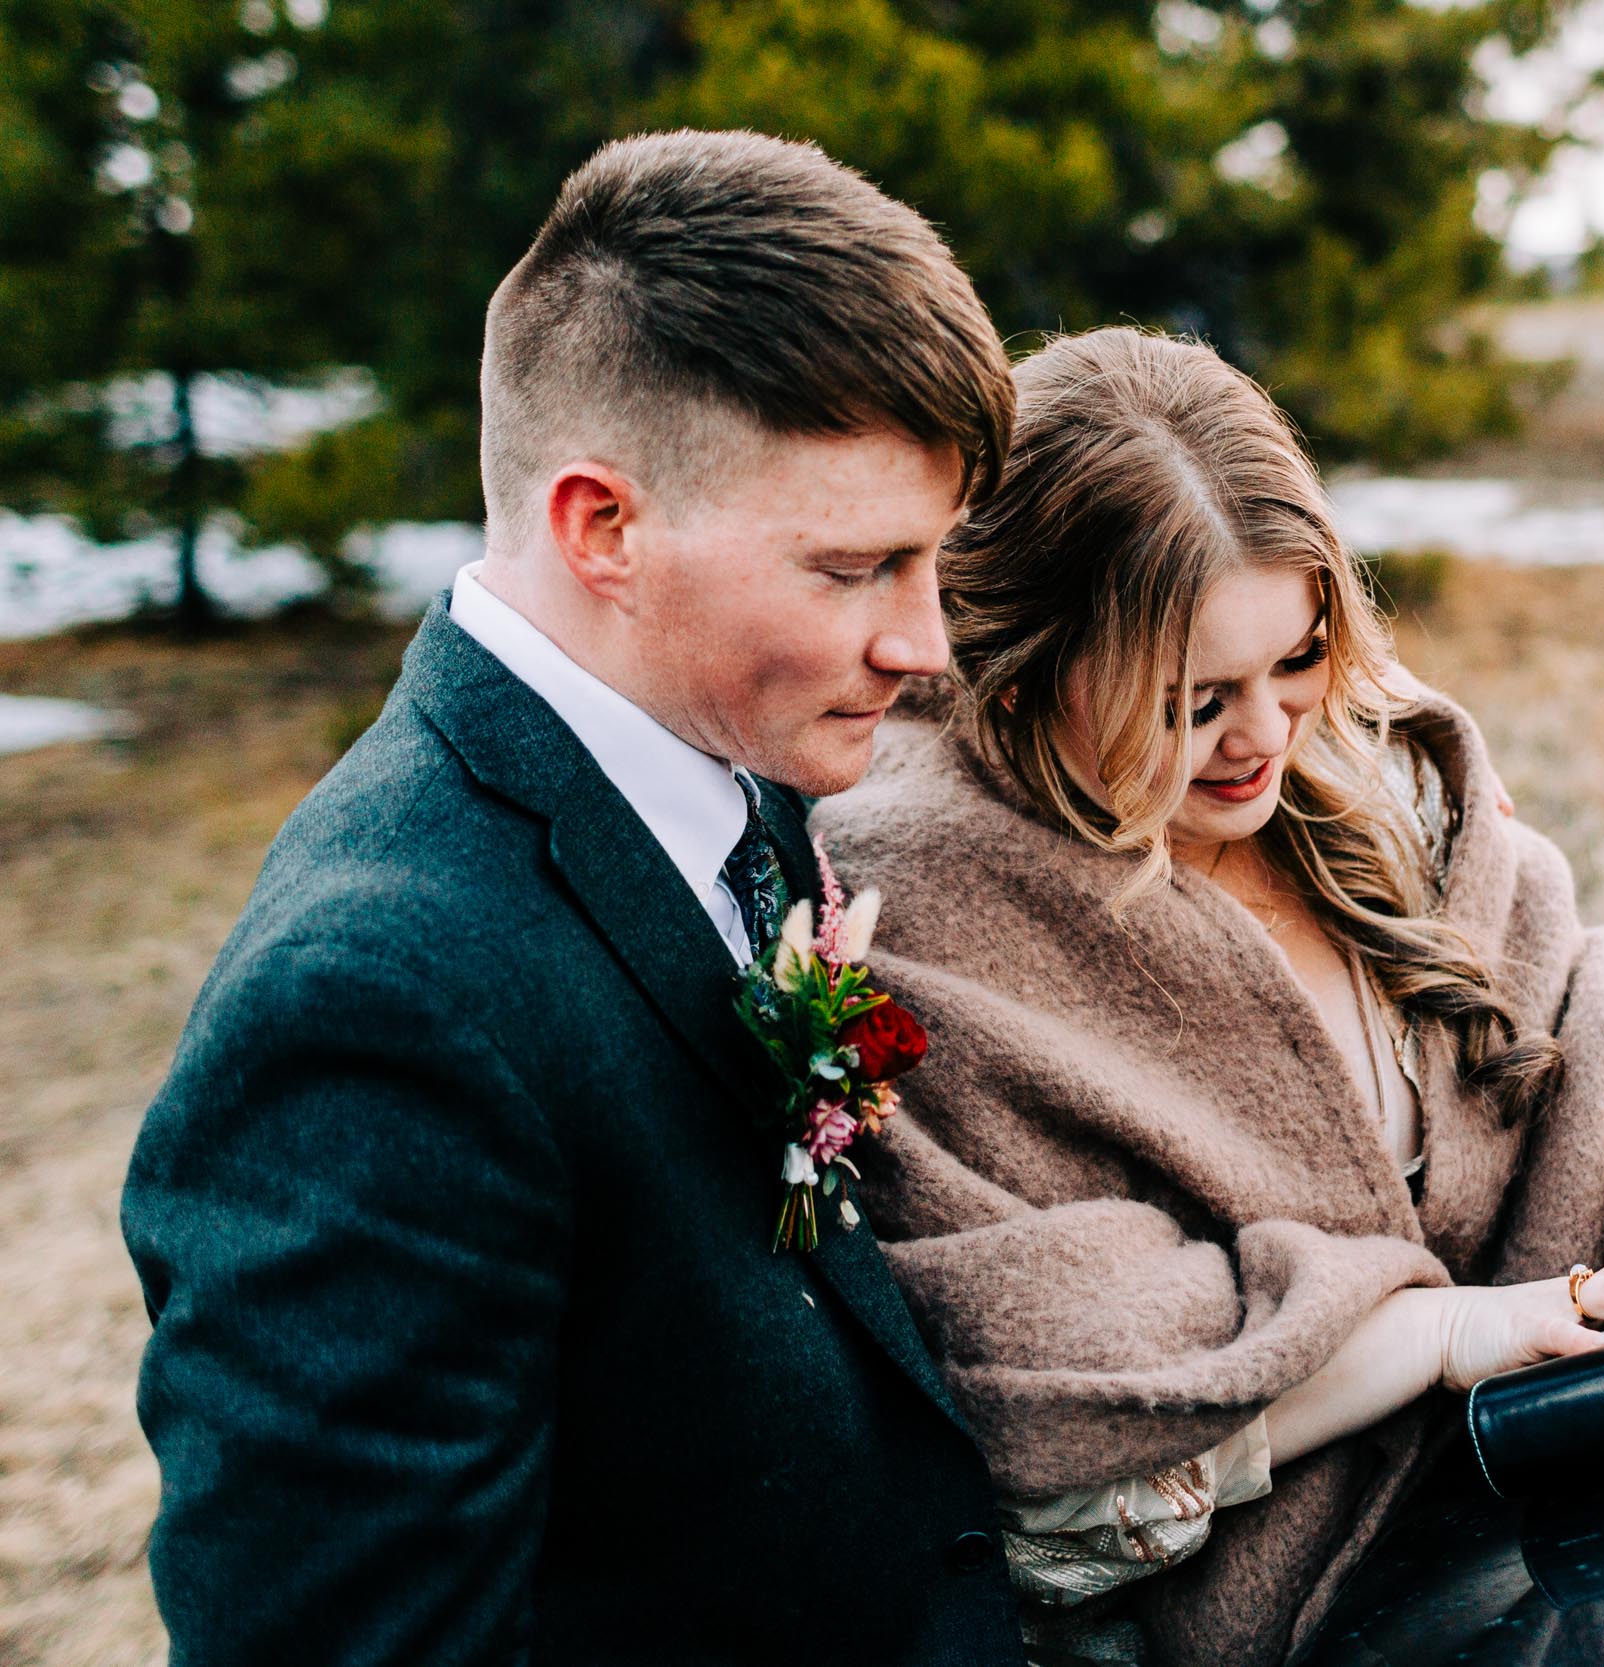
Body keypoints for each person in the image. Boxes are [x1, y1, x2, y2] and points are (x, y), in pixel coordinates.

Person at [809, 327, 1604, 1667]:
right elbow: (1042, 1397)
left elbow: (1589, 1051)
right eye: (1194, 697)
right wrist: (1437, 1331)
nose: (1267, 733)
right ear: (1022, 670)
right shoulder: (914, 929)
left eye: (1299, 657)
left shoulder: (1385, 795)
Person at [120, 130, 1029, 1665]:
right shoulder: (373, 1007)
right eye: (855, 568)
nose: (924, 645)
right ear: (601, 528)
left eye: (933, 561)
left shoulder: (733, 772)